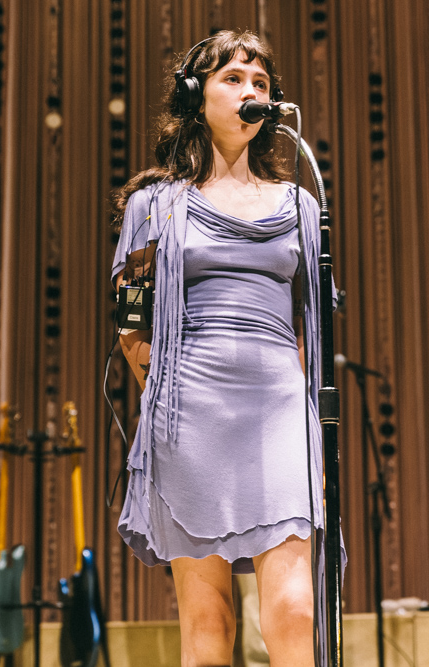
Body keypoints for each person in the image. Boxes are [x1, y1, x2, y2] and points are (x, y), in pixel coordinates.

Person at [111, 29, 335, 666]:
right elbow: (132, 316)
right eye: (232, 79)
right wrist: (164, 396)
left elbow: (307, 324)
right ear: (195, 95)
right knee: (208, 625)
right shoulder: (154, 204)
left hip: (277, 411)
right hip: (191, 413)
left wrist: (311, 422)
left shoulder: (299, 205)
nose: (248, 91)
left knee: (294, 611)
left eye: (260, 83)